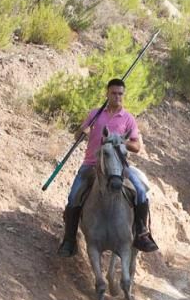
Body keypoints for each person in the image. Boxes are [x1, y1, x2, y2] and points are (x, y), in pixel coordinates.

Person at [57, 79, 158, 257]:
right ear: (107, 93)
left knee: (140, 191)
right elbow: (77, 135)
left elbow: (136, 147)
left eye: (120, 93)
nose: (117, 96)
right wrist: (83, 131)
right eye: (114, 93)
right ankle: (69, 240)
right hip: (91, 165)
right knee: (73, 197)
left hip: (119, 167)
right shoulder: (95, 114)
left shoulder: (128, 119)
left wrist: (119, 141)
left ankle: (142, 233)